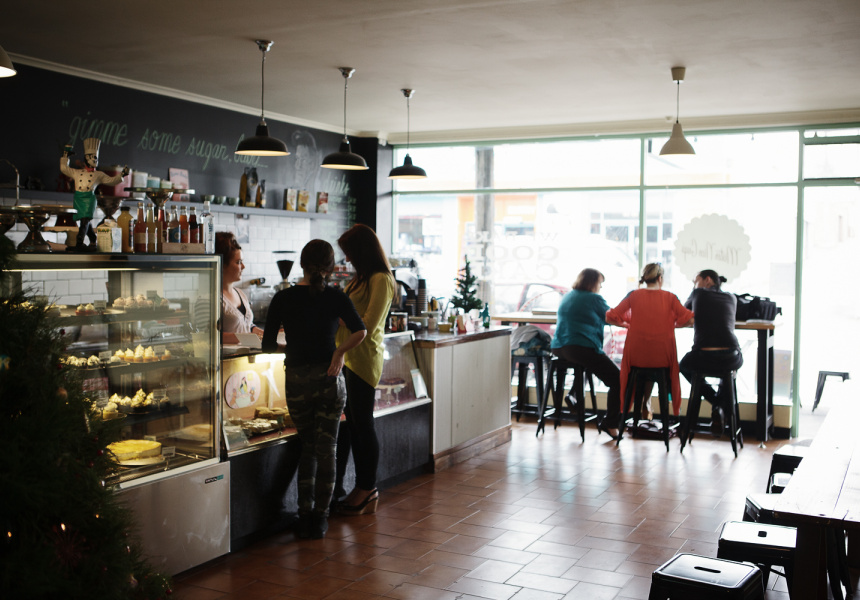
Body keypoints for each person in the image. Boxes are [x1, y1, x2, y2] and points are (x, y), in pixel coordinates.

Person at [261, 239, 366, 538]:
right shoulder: (335, 296)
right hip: (330, 379)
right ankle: (320, 518)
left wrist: (292, 349)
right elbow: (360, 330)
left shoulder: (283, 298)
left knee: (307, 446)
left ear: (301, 264)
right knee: (327, 449)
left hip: (297, 381)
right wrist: (339, 352)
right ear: (330, 268)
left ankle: (303, 515)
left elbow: (268, 345)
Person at [334, 224, 396, 515]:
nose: (347, 259)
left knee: (363, 425)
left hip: (364, 359)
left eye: (349, 252)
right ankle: (357, 487)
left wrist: (337, 315)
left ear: (362, 251)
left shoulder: (381, 279)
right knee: (353, 425)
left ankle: (368, 487)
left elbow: (367, 324)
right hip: (347, 357)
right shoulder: (360, 279)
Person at [606, 263, 694, 418]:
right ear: (660, 278)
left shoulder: (633, 295)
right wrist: (673, 325)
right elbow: (690, 319)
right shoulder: (670, 298)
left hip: (636, 356)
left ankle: (643, 404)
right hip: (662, 356)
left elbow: (610, 317)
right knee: (657, 363)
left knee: (644, 363)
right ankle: (651, 405)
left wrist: (628, 324)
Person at [551, 268, 622, 440]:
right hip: (579, 347)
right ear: (593, 282)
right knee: (618, 380)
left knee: (587, 362)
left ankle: (573, 395)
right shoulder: (594, 298)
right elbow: (613, 317)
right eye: (600, 283)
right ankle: (611, 424)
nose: (601, 287)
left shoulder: (568, 295)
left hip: (559, 347)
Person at [679, 269, 743, 437]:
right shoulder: (732, 297)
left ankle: (716, 402)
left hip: (704, 356)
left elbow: (684, 313)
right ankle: (721, 406)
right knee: (728, 372)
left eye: (696, 281)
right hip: (731, 356)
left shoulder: (698, 293)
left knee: (683, 365)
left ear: (707, 280)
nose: (694, 285)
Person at [59, 138, 129, 251]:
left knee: (85, 220)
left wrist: (122, 175)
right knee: (84, 220)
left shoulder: (98, 174)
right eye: (92, 157)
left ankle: (79, 243)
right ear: (86, 158)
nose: (95, 159)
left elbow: (111, 181)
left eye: (96, 157)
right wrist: (65, 155)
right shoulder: (77, 172)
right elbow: (64, 168)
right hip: (78, 198)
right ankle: (92, 239)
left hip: (89, 199)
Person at [216, 231, 264, 343]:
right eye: (238, 262)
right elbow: (208, 336)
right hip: (227, 355)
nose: (243, 266)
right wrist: (246, 338)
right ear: (223, 265)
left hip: (245, 354)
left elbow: (248, 326)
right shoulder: (210, 298)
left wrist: (269, 334)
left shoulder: (240, 293)